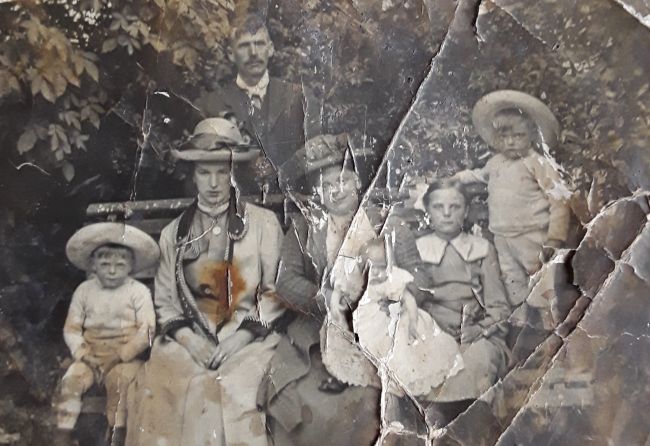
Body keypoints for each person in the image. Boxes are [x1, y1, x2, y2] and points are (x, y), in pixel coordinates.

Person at [125, 118, 285, 446]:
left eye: (222, 172)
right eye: (203, 172)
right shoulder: (174, 233)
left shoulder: (263, 224)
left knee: (232, 383)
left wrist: (241, 337)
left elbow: (274, 290)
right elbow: (166, 300)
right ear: (193, 175)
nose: (213, 183)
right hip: (190, 341)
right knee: (173, 378)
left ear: (234, 174)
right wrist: (189, 340)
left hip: (249, 340)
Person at [257, 134, 382, 446]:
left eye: (344, 178)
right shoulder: (304, 227)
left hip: (375, 330)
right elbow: (286, 281)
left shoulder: (380, 222)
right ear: (315, 192)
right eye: (325, 184)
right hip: (317, 330)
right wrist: (323, 298)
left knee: (368, 400)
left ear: (358, 182)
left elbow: (401, 272)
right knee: (301, 396)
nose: (336, 189)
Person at [453, 90, 571, 309]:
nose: (510, 143)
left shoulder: (537, 163)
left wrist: (555, 237)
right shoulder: (495, 163)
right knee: (511, 278)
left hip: (530, 233)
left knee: (538, 274)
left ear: (532, 136)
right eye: (504, 137)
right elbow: (477, 175)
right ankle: (522, 314)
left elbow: (558, 200)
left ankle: (548, 316)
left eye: (518, 136)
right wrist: (456, 179)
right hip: (502, 235)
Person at [415, 178, 511, 427]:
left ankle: (470, 426)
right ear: (428, 211)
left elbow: (499, 307)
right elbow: (405, 300)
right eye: (438, 207)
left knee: (476, 361)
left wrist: (477, 331)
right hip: (428, 333)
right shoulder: (416, 250)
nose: (446, 214)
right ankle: (432, 423)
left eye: (455, 207)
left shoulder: (482, 249)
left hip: (474, 335)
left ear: (466, 211)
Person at [55, 223, 159, 446]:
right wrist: (83, 354)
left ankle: (117, 432)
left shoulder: (138, 292)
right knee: (72, 380)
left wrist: (121, 355)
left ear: (131, 266)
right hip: (91, 354)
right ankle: (63, 433)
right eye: (105, 264)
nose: (112, 270)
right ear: (93, 265)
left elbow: (147, 330)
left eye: (120, 265)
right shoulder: (84, 291)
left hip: (125, 357)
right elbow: (71, 329)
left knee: (119, 383)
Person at [195, 14, 308, 205]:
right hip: (235, 208)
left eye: (259, 44)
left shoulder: (296, 96)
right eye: (244, 45)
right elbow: (203, 164)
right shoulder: (211, 104)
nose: (253, 52)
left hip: (291, 207)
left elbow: (310, 152)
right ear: (231, 54)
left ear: (271, 49)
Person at [351, 238, 463, 399]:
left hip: (403, 320)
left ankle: (404, 382)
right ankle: (386, 375)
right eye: (371, 267)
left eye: (381, 267)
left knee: (404, 351)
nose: (376, 272)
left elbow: (409, 300)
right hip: (377, 322)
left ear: (389, 266)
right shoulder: (367, 286)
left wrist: (413, 322)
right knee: (375, 344)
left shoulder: (393, 281)